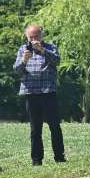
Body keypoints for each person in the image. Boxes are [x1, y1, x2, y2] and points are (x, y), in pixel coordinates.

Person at [14, 24, 66, 166]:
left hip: (48, 92)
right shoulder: (22, 50)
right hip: (31, 93)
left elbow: (57, 61)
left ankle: (59, 157)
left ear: (41, 36)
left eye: (36, 36)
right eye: (31, 37)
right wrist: (24, 60)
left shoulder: (50, 47)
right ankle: (36, 160)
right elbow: (17, 70)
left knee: (55, 126)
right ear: (27, 37)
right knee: (35, 129)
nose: (33, 39)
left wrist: (42, 51)